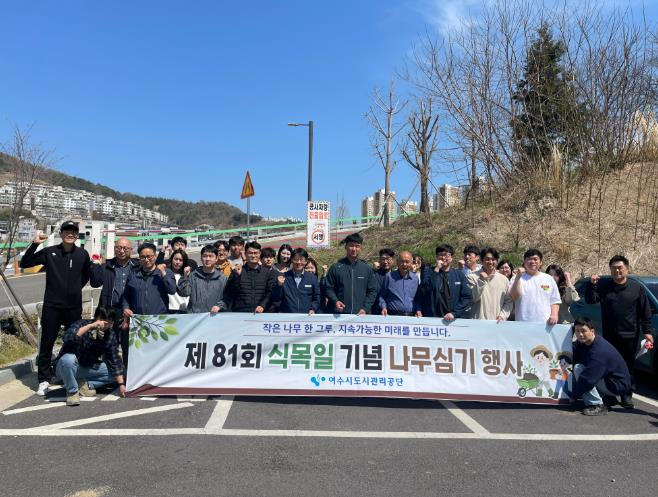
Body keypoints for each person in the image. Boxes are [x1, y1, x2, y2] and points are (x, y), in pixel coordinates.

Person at [20, 221, 92, 396]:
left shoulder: (82, 254)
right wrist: (35, 244)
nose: (70, 234)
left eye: (73, 232)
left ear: (77, 235)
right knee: (47, 343)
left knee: (73, 342)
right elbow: (25, 263)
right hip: (52, 306)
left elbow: (85, 275)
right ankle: (44, 380)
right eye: (66, 231)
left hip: (73, 307)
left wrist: (74, 290)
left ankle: (70, 375)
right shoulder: (50, 252)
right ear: (61, 234)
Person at [585, 255, 654, 398]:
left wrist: (647, 331)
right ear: (610, 270)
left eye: (620, 268)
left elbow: (645, 311)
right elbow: (591, 300)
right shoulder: (604, 286)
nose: (617, 271)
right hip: (609, 334)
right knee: (609, 364)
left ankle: (626, 394)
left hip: (629, 334)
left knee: (627, 366)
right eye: (614, 268)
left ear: (627, 269)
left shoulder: (636, 288)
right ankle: (610, 394)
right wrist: (592, 285)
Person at [54, 307, 125, 406]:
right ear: (95, 317)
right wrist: (90, 326)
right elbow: (68, 338)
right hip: (64, 367)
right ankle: (72, 392)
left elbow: (115, 360)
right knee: (68, 359)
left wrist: (121, 384)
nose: (104, 324)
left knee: (121, 372)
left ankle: (85, 384)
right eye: (101, 319)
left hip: (87, 366)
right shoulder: (81, 324)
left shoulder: (110, 335)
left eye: (108, 321)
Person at [122, 243, 177, 365]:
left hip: (158, 322)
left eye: (149, 256)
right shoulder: (133, 274)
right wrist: (125, 308)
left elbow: (172, 290)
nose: (146, 260)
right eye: (143, 257)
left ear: (155, 256)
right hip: (138, 323)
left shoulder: (165, 272)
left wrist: (163, 273)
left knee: (158, 356)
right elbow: (126, 296)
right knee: (138, 356)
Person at [566, 317, 633, 415]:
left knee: (578, 369)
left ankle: (597, 405)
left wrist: (573, 396)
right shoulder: (586, 342)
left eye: (583, 331)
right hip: (608, 379)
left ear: (592, 331)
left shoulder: (598, 351)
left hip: (617, 385)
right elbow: (572, 349)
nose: (580, 334)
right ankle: (607, 398)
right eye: (577, 331)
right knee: (576, 374)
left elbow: (588, 380)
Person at [89, 237, 139, 367]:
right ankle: (109, 374)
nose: (121, 251)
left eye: (125, 248)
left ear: (131, 250)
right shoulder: (107, 265)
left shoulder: (137, 266)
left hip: (130, 311)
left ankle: (128, 372)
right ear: (115, 249)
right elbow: (95, 283)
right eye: (118, 247)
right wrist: (95, 265)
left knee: (130, 344)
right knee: (109, 344)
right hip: (110, 310)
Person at [324, 233, 378, 315]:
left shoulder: (367, 269)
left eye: (357, 246)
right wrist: (335, 301)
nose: (354, 249)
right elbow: (328, 287)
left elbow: (372, 291)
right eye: (351, 245)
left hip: (360, 315)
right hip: (339, 314)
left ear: (361, 248)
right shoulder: (336, 267)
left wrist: (365, 308)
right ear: (346, 247)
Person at [416, 244, 472, 321]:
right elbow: (425, 289)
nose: (443, 257)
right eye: (440, 255)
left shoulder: (459, 275)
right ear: (436, 257)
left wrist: (454, 313)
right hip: (432, 318)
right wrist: (437, 269)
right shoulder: (428, 272)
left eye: (446, 255)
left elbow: (467, 297)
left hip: (453, 319)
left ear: (451, 257)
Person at [510, 249, 560, 324]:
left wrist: (554, 315)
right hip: (522, 323)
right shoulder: (516, 278)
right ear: (524, 262)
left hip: (545, 323)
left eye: (535, 259)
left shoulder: (548, 279)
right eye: (529, 259)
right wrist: (518, 277)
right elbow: (514, 297)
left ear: (541, 262)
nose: (532, 261)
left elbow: (555, 300)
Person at [225, 241, 275, 313]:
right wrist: (237, 276)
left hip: (261, 313)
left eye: (256, 253)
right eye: (250, 253)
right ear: (245, 254)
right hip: (241, 313)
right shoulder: (237, 271)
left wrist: (262, 305)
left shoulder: (267, 272)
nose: (253, 256)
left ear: (260, 254)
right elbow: (229, 292)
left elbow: (270, 292)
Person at [177, 245, 228, 313]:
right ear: (201, 258)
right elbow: (184, 293)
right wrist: (185, 277)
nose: (207, 259)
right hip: (195, 316)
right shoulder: (193, 275)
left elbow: (227, 298)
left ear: (216, 258)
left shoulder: (222, 278)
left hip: (215, 316)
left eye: (211, 256)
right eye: (205, 256)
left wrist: (219, 306)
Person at [467, 247, 513, 321]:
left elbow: (508, 301)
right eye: (487, 259)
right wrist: (481, 280)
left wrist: (503, 316)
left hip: (497, 323)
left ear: (497, 261)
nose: (491, 262)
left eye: (493, 259)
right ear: (482, 261)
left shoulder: (504, 279)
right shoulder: (472, 277)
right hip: (477, 322)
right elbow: (473, 298)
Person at [272, 248, 321, 314]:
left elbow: (317, 297)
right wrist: (279, 286)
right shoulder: (284, 277)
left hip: (306, 316)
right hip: (287, 316)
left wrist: (313, 309)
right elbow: (276, 298)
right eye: (296, 259)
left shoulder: (312, 278)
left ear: (306, 261)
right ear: (292, 260)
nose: (299, 262)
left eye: (301, 259)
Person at [378, 251, 420, 316]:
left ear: (411, 263)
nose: (404, 264)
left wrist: (418, 310)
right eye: (402, 261)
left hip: (411, 316)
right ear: (397, 262)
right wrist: (383, 307)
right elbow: (382, 296)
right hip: (393, 315)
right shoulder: (389, 277)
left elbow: (417, 298)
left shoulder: (415, 278)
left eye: (407, 262)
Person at [372, 248, 395, 314]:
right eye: (383, 259)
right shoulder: (373, 275)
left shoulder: (397, 276)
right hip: (376, 312)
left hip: (393, 312)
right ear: (379, 260)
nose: (385, 262)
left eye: (388, 259)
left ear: (392, 260)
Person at [167, 249, 190, 313]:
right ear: (171, 259)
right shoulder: (165, 273)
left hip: (183, 309)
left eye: (180, 260)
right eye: (176, 259)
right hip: (168, 309)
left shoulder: (187, 274)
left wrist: (185, 276)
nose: (177, 262)